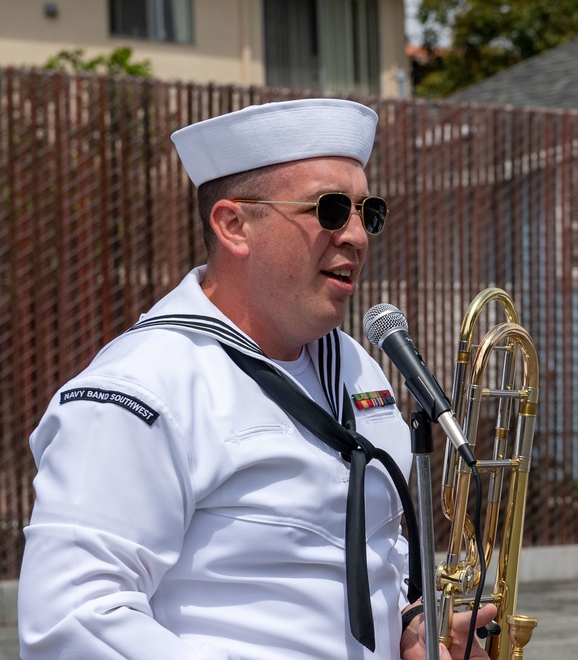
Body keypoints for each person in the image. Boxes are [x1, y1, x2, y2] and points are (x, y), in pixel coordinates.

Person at [18, 98, 496, 660]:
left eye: (368, 213)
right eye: (330, 209)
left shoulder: (356, 366)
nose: (358, 236)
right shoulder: (142, 388)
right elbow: (71, 620)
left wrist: (412, 625)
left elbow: (377, 549)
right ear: (234, 225)